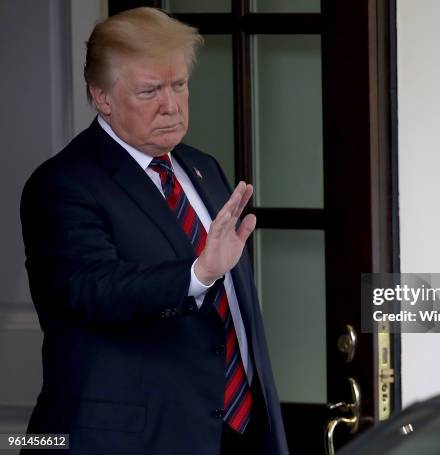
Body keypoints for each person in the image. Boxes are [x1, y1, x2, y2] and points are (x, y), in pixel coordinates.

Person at [19, 7, 288, 455]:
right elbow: (94, 289)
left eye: (179, 85)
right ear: (102, 97)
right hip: (129, 440)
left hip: (235, 434)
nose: (171, 104)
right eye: (150, 91)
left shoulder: (203, 168)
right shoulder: (63, 183)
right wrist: (198, 274)